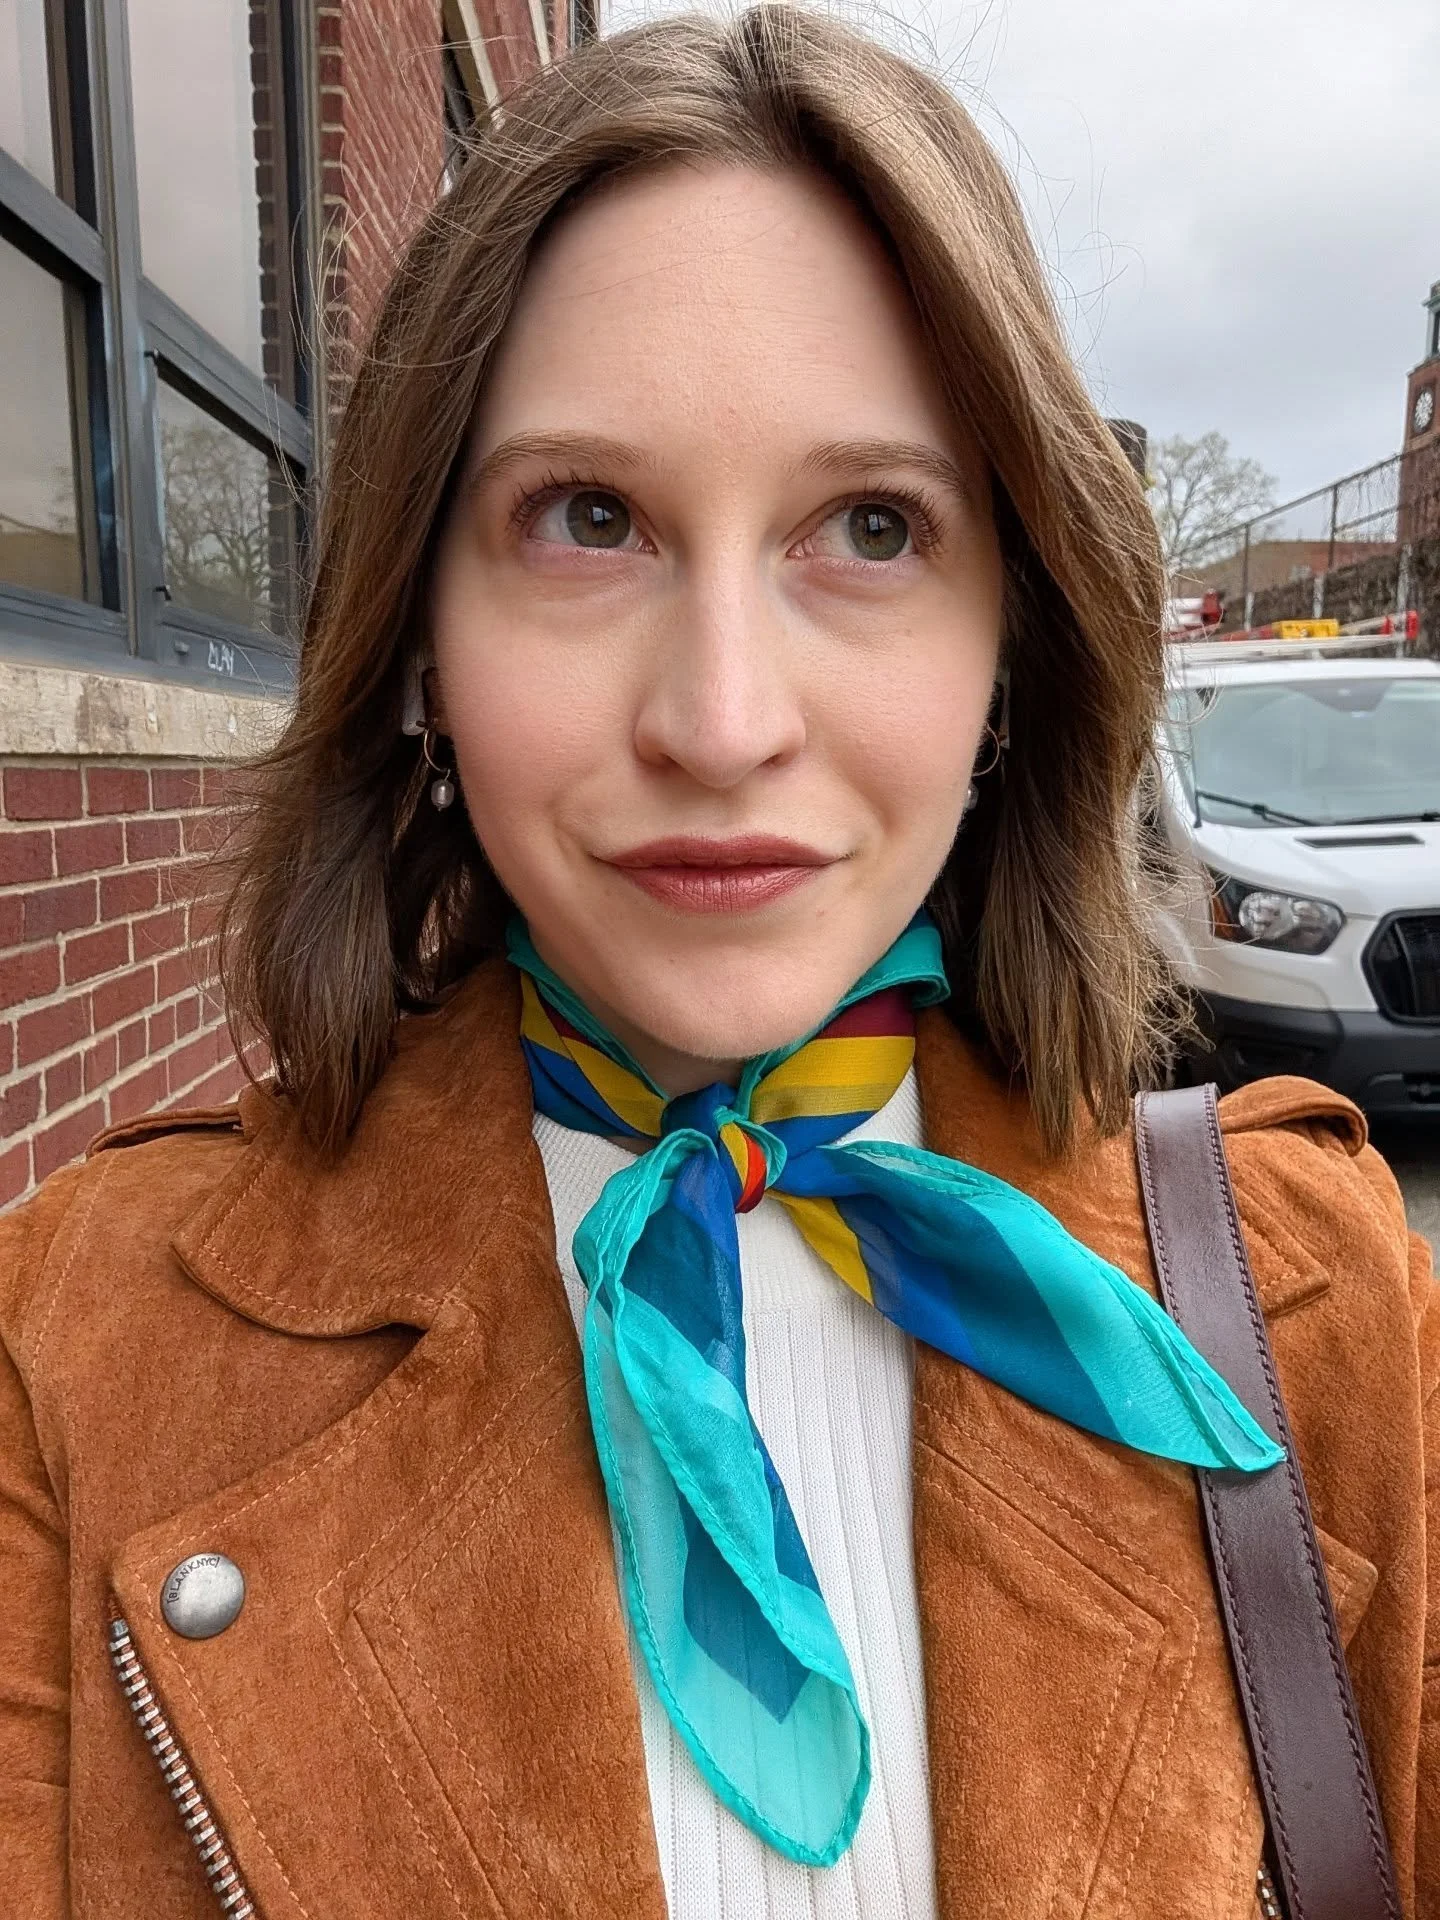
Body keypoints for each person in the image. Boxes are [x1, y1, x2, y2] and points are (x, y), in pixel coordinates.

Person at [1, 10, 1434, 1917]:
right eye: (588, 520)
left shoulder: (1323, 1308)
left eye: (869, 526)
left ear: (1016, 639)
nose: (723, 718)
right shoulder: (76, 1348)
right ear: (419, 629)